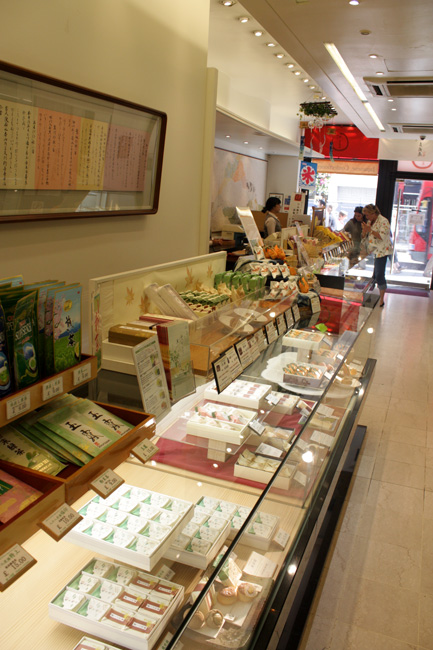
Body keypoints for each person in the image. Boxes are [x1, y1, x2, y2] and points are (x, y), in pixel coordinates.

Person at [361, 204, 392, 307]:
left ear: (373, 213)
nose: (367, 217)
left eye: (367, 215)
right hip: (372, 249)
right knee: (375, 274)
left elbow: (381, 236)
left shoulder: (384, 221)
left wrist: (369, 230)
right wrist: (365, 231)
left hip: (382, 251)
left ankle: (382, 299)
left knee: (379, 274)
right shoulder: (370, 222)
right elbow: (366, 235)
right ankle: (370, 294)